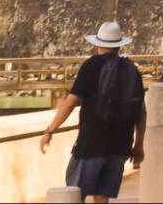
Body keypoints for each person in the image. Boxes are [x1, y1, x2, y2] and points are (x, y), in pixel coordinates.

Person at [39, 21, 145, 204]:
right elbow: (141, 112)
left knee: (74, 194)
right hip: (121, 146)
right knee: (102, 198)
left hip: (92, 145)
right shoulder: (132, 70)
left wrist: (50, 130)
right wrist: (139, 145)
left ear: (97, 44)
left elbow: (71, 102)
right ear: (119, 45)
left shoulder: (91, 66)